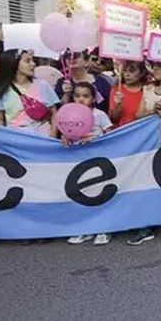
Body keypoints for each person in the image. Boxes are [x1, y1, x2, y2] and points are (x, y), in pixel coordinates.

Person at [60, 81, 113, 246]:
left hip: (97, 160)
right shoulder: (66, 115)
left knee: (100, 193)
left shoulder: (99, 115)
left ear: (93, 98)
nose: (81, 99)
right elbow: (64, 132)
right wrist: (65, 137)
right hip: (77, 161)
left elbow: (111, 136)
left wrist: (95, 138)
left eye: (85, 96)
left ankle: (103, 228)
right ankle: (85, 229)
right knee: (81, 193)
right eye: (77, 96)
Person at [0, 50, 59, 136]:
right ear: (13, 64)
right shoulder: (3, 89)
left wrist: (52, 136)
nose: (33, 64)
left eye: (32, 60)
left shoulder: (42, 85)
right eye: (27, 61)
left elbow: (54, 113)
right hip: (15, 139)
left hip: (42, 138)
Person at [109, 61, 160, 129]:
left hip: (143, 131)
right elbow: (113, 119)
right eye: (125, 71)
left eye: (132, 71)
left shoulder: (148, 89)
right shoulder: (116, 90)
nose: (127, 74)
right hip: (122, 131)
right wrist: (118, 105)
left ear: (142, 73)